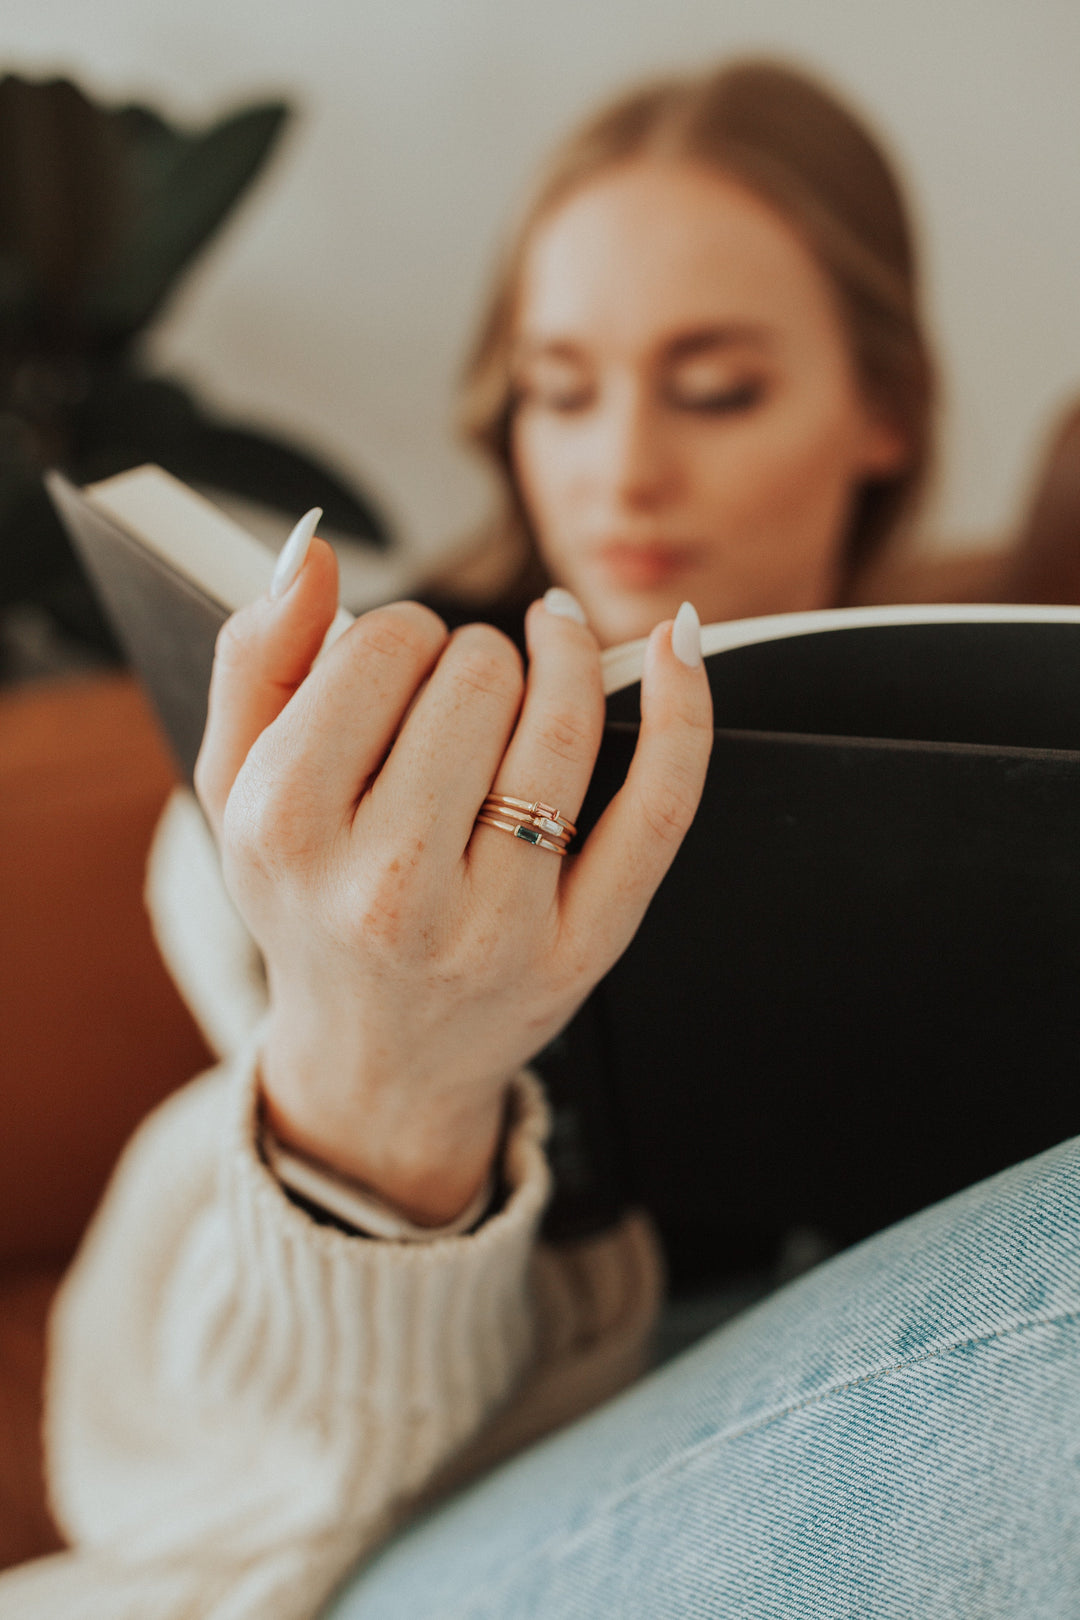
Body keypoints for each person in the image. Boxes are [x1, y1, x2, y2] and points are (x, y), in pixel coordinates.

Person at [3, 58, 1078, 1620]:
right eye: (559, 390)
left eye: (714, 390)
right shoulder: (340, 791)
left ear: (885, 414)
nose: (621, 468)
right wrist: (373, 1083)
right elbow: (179, 1484)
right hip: (458, 1539)